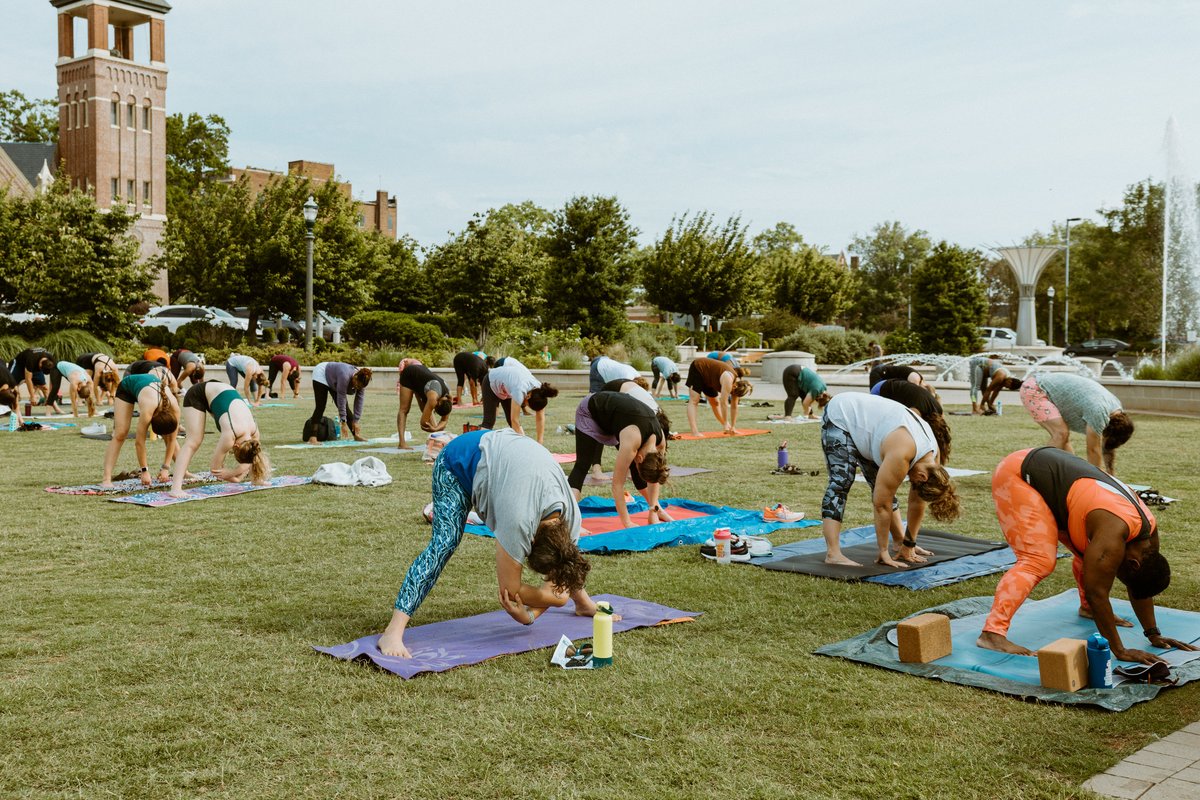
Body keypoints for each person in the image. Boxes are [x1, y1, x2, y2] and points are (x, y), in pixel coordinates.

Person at [377, 428, 608, 658]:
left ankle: (583, 604)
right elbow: (510, 590)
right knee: (444, 543)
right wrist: (554, 600)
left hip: (502, 455)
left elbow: (564, 572)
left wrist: (532, 614)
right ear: (531, 539)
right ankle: (393, 631)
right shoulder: (518, 521)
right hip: (456, 461)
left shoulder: (571, 519)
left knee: (564, 564)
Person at [977, 446, 1196, 663]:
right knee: (1038, 560)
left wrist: (1153, 633)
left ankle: (1088, 610)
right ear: (1133, 564)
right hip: (1020, 474)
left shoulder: (1147, 540)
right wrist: (1120, 650)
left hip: (1056, 481)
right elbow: (1097, 591)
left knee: (1091, 560)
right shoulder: (1114, 534)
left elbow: (1139, 587)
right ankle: (992, 633)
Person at [818, 392, 960, 567]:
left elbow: (917, 502)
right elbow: (881, 505)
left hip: (871, 430)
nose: (909, 481)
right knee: (841, 481)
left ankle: (899, 542)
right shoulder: (902, 454)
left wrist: (909, 543)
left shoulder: (933, 457)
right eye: (914, 483)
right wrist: (883, 552)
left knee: (886, 487)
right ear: (923, 477)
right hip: (842, 414)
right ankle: (833, 553)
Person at [567, 391, 672, 529]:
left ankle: (657, 510)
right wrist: (627, 523)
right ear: (639, 457)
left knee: (637, 471)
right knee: (583, 464)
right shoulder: (632, 441)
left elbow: (655, 477)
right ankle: (569, 520)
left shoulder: (660, 445)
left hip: (617, 416)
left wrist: (654, 509)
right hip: (591, 411)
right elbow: (617, 485)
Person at [169, 381, 271, 498]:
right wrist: (232, 475)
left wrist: (235, 475)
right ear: (236, 446)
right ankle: (175, 488)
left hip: (220, 392)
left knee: (252, 454)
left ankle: (257, 479)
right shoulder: (230, 435)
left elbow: (254, 456)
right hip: (198, 394)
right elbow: (214, 469)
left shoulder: (254, 434)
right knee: (193, 441)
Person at [1019, 371, 1133, 474]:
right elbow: (1093, 450)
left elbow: (1107, 447)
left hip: (1044, 386)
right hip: (1035, 389)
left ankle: (1070, 473)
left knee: (1064, 439)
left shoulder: (1117, 411)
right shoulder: (1099, 413)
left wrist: (1110, 473)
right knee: (1061, 434)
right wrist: (1097, 480)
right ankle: (1038, 472)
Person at [100, 371, 180, 488]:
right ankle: (106, 479)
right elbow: (139, 443)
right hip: (127, 387)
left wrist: (166, 468)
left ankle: (183, 471)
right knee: (120, 434)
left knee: (170, 437)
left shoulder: (175, 409)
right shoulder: (148, 411)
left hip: (147, 387)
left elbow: (172, 440)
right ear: (152, 420)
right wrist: (144, 471)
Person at [482, 357, 558, 444]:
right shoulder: (519, 390)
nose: (524, 404)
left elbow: (540, 418)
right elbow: (515, 420)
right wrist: (524, 445)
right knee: (489, 421)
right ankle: (479, 447)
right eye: (526, 404)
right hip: (490, 381)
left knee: (511, 421)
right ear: (528, 396)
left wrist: (539, 442)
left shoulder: (539, 391)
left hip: (506, 386)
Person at [875, 379, 952, 464]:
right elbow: (903, 427)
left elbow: (936, 445)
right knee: (882, 431)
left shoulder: (938, 411)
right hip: (881, 389)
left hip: (896, 386)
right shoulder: (916, 412)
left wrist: (936, 466)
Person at [684, 356, 752, 436]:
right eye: (732, 393)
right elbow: (724, 403)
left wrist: (733, 427)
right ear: (734, 386)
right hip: (698, 368)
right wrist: (725, 422)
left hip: (710, 378)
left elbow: (734, 407)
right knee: (694, 400)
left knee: (715, 403)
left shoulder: (739, 387)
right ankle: (694, 431)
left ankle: (728, 427)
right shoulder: (728, 379)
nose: (732, 395)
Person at [308, 362, 371, 444]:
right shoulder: (344, 376)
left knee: (346, 409)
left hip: (334, 378)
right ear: (355, 377)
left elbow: (359, 401)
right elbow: (341, 399)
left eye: (359, 387)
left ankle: (356, 435)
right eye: (356, 385)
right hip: (321, 373)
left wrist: (356, 420)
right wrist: (343, 421)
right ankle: (312, 437)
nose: (356, 387)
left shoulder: (362, 381)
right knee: (320, 406)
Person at [396, 361, 453, 447]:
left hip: (422, 379)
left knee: (426, 410)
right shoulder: (433, 398)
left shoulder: (449, 399)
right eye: (435, 409)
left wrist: (436, 428)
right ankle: (402, 443)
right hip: (410, 373)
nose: (434, 410)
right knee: (404, 409)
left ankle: (438, 438)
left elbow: (444, 420)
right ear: (437, 403)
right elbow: (423, 424)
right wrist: (435, 428)